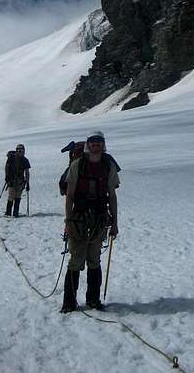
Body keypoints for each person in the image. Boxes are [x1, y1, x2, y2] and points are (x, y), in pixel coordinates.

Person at [61, 130, 120, 313]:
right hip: (78, 218)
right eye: (93, 142)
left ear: (103, 144)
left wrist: (115, 222)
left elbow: (112, 195)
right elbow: (70, 195)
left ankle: (93, 300)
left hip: (99, 218)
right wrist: (68, 220)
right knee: (76, 260)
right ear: (88, 144)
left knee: (94, 259)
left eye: (99, 142)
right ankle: (69, 302)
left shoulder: (108, 165)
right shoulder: (78, 165)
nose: (96, 144)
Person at [5, 144, 31, 217]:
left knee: (18, 196)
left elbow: (27, 172)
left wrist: (27, 182)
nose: (19, 151)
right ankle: (8, 213)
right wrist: (7, 177)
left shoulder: (25, 160)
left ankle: (15, 213)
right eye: (18, 149)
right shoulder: (11, 158)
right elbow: (7, 167)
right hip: (12, 179)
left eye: (21, 149)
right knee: (11, 195)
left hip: (20, 181)